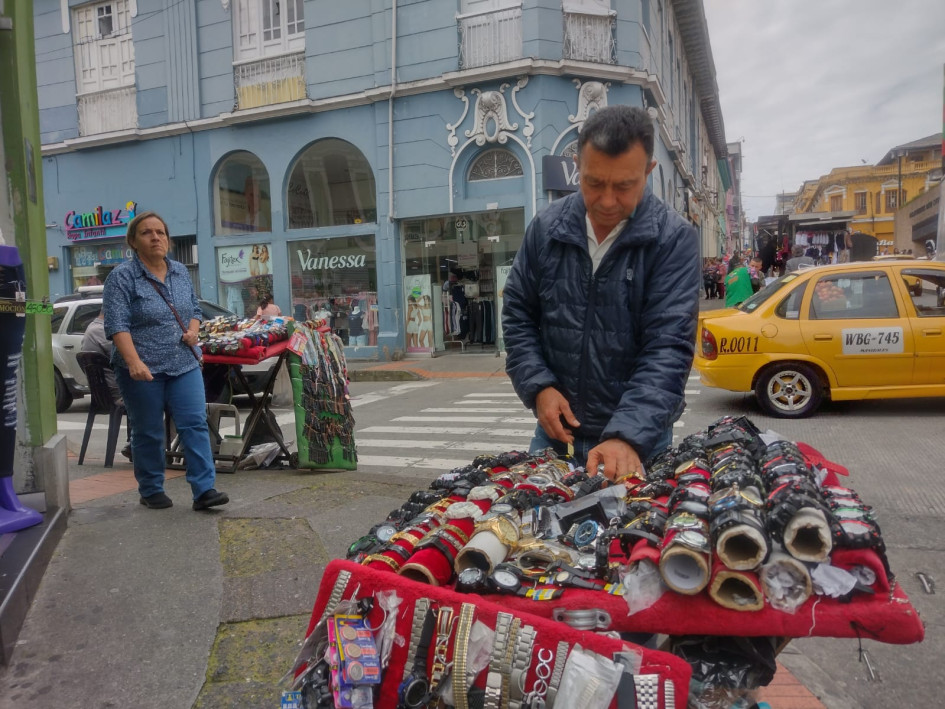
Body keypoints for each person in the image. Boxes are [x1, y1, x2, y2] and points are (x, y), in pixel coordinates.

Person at [502, 105, 700, 483]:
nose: (607, 201)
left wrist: (626, 435)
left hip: (637, 443)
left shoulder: (673, 239)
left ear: (649, 172)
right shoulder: (546, 228)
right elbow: (517, 314)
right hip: (555, 435)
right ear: (578, 165)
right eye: (594, 182)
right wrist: (539, 387)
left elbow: (668, 346)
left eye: (625, 186)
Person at [103, 211, 228, 511]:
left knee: (195, 424)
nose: (156, 237)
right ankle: (150, 488)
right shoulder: (122, 277)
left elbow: (194, 309)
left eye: (160, 232)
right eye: (147, 233)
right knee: (148, 430)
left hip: (182, 363)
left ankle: (204, 490)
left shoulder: (179, 271)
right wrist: (133, 361)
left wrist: (193, 332)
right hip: (142, 368)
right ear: (133, 241)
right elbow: (117, 324)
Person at [81, 309, 132, 461]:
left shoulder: (92, 327)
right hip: (115, 392)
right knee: (157, 395)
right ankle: (140, 444)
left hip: (105, 391)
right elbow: (124, 352)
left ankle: (135, 443)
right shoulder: (100, 330)